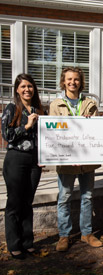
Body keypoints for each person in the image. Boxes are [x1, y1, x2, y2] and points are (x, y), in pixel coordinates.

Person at [49, 67, 102, 251]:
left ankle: (86, 233)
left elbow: (96, 131)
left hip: (87, 160)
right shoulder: (56, 104)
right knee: (64, 198)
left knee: (87, 196)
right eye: (69, 79)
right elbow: (53, 133)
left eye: (76, 79)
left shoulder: (90, 103)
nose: (73, 82)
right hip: (66, 162)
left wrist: (90, 121)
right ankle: (64, 236)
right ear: (63, 81)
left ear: (81, 82)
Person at [1, 74, 45, 259]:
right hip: (16, 159)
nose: (27, 89)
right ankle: (14, 243)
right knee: (14, 202)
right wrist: (26, 126)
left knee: (28, 201)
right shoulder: (11, 108)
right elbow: (6, 135)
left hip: (35, 160)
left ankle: (28, 242)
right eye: (23, 86)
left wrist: (45, 155)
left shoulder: (39, 109)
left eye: (30, 86)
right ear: (17, 90)